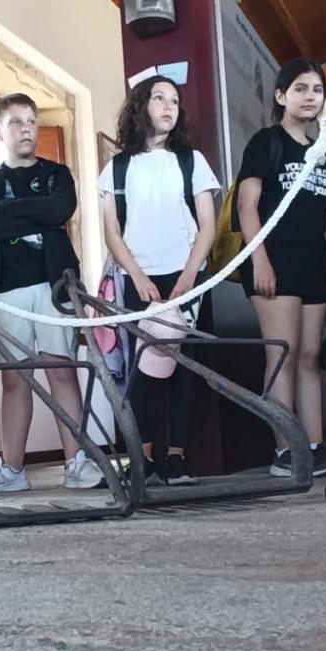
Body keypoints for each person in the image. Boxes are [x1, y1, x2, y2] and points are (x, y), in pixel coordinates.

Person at [0, 93, 103, 493]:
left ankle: (77, 462)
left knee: (61, 370)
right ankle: (11, 470)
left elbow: (60, 211)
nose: (26, 129)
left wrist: (10, 211)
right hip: (6, 288)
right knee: (14, 377)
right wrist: (36, 215)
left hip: (53, 283)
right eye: (16, 122)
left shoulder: (57, 174)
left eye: (30, 121)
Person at [99, 76, 220, 485]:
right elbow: (112, 232)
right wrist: (137, 275)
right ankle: (145, 458)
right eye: (159, 98)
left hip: (187, 275)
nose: (169, 106)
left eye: (175, 100)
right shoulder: (117, 167)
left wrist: (188, 276)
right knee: (141, 368)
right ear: (140, 106)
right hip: (138, 276)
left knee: (182, 366)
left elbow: (207, 225)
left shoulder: (191, 161)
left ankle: (177, 458)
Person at [236, 58, 326, 478]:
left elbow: (322, 222)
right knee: (282, 353)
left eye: (317, 89)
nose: (310, 96)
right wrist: (259, 260)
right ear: (281, 96)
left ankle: (312, 447)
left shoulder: (321, 153)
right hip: (274, 263)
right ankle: (285, 451)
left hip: (313, 265)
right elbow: (247, 206)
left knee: (310, 356)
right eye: (300, 88)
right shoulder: (266, 142)